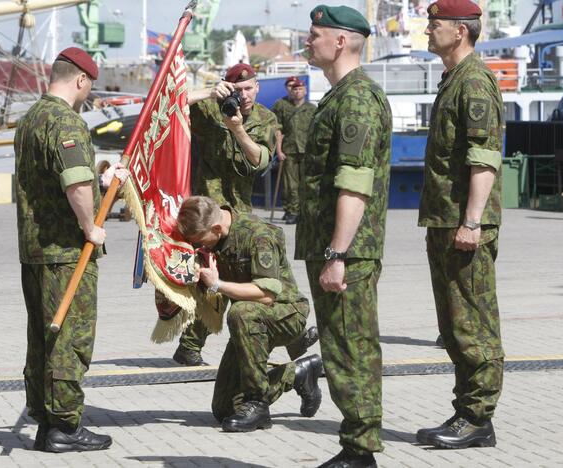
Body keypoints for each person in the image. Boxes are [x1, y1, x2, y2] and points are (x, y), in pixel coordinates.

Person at [15, 47, 129, 453]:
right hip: (65, 251)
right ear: (81, 79)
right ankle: (64, 424)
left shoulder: (30, 119)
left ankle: (47, 419)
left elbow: (57, 180)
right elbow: (75, 183)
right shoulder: (67, 121)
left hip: (35, 250)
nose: (89, 93)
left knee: (44, 337)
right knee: (70, 339)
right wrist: (91, 226)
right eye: (90, 85)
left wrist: (104, 182)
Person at [295, 6, 391, 468]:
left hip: (345, 253)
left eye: (314, 35)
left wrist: (337, 252)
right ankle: (356, 445)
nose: (306, 41)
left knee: (351, 346)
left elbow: (355, 183)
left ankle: (361, 450)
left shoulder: (356, 99)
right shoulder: (338, 97)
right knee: (341, 346)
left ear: (339, 42)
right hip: (332, 248)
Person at [173, 63, 317, 366]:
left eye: (249, 88)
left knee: (248, 272)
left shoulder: (266, 118)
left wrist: (237, 128)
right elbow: (169, 102)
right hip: (207, 211)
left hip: (239, 210)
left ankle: (288, 335)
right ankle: (190, 344)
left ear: (258, 87)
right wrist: (209, 93)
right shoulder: (210, 109)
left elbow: (260, 162)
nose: (243, 95)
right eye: (237, 90)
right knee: (215, 277)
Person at [416, 0, 505, 450]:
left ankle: (477, 418)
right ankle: (465, 412)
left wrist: (472, 221)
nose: (428, 30)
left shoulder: (474, 82)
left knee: (473, 323)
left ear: (461, 31)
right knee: (453, 324)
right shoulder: (454, 80)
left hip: (464, 226)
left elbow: (484, 158)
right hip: (445, 223)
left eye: (435, 24)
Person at [175, 196, 323, 432]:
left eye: (200, 241)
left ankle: (258, 404)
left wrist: (217, 284)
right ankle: (297, 374)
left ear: (216, 227)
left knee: (240, 312)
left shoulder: (258, 236)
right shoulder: (216, 236)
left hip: (285, 314)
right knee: (224, 410)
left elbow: (266, 294)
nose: (199, 247)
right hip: (249, 322)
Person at [271, 76, 316, 224]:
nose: (297, 92)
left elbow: (315, 132)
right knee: (290, 184)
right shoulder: (282, 105)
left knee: (306, 183)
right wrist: (278, 150)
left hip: (307, 151)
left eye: (300, 89)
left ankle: (303, 211)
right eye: (294, 89)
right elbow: (278, 130)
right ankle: (292, 211)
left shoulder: (312, 109)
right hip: (289, 150)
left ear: (305, 90)